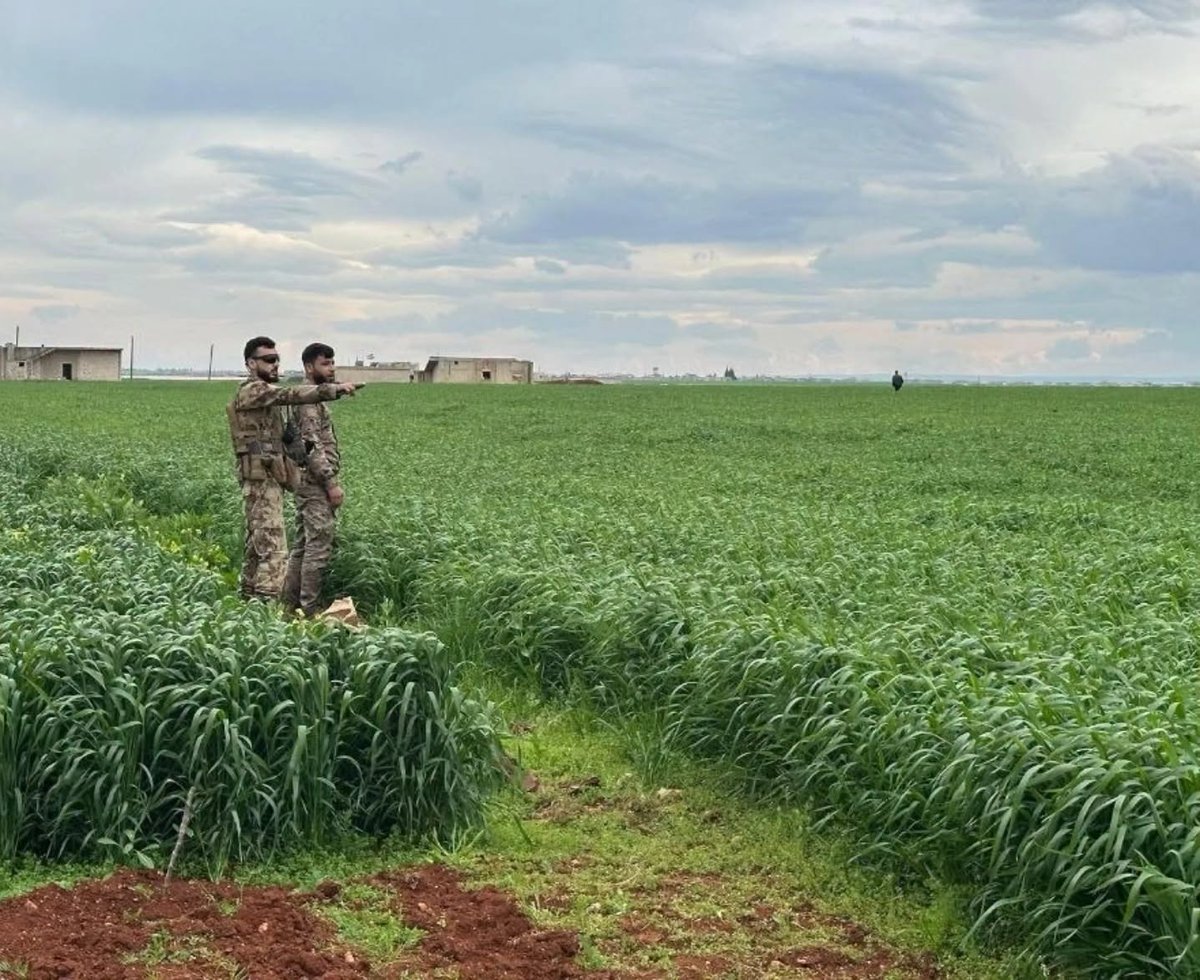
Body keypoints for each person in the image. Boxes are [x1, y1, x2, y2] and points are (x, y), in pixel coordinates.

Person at [228, 336, 359, 603]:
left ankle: (248, 604)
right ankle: (268, 614)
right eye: (268, 360)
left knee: (257, 547)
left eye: (277, 359)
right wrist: (333, 390)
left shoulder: (261, 393)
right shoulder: (253, 391)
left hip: (268, 477)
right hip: (260, 479)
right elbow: (289, 394)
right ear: (251, 363)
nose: (275, 364)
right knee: (274, 550)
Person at [282, 342, 350, 617]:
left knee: (303, 544)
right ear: (309, 367)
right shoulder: (309, 403)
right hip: (314, 483)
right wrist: (331, 484)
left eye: (333, 363)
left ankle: (289, 605)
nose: (331, 368)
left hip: (306, 481)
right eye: (325, 363)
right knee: (318, 545)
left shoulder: (309, 397)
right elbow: (311, 446)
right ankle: (308, 610)